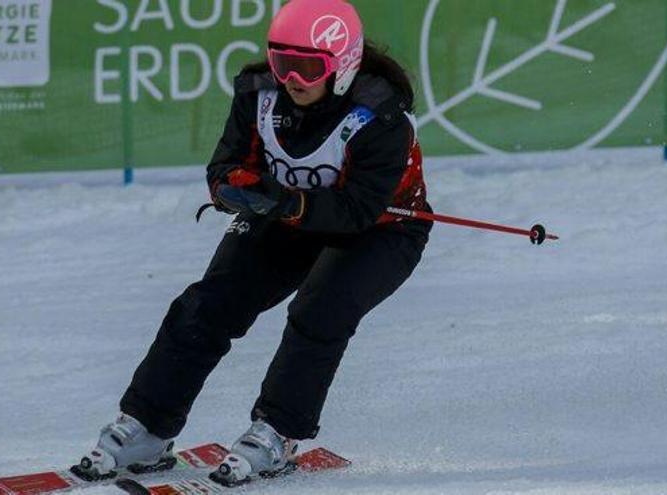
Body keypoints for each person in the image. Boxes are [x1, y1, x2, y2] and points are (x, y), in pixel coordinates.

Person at [77, 0, 433, 485]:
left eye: (308, 67)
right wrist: (233, 188)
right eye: (282, 62)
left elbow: (355, 211)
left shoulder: (380, 117)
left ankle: (277, 433)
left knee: (319, 309)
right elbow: (225, 163)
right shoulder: (258, 94)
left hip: (383, 229)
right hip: (286, 213)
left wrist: (286, 202)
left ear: (343, 64)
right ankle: (147, 428)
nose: (292, 78)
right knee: (208, 304)